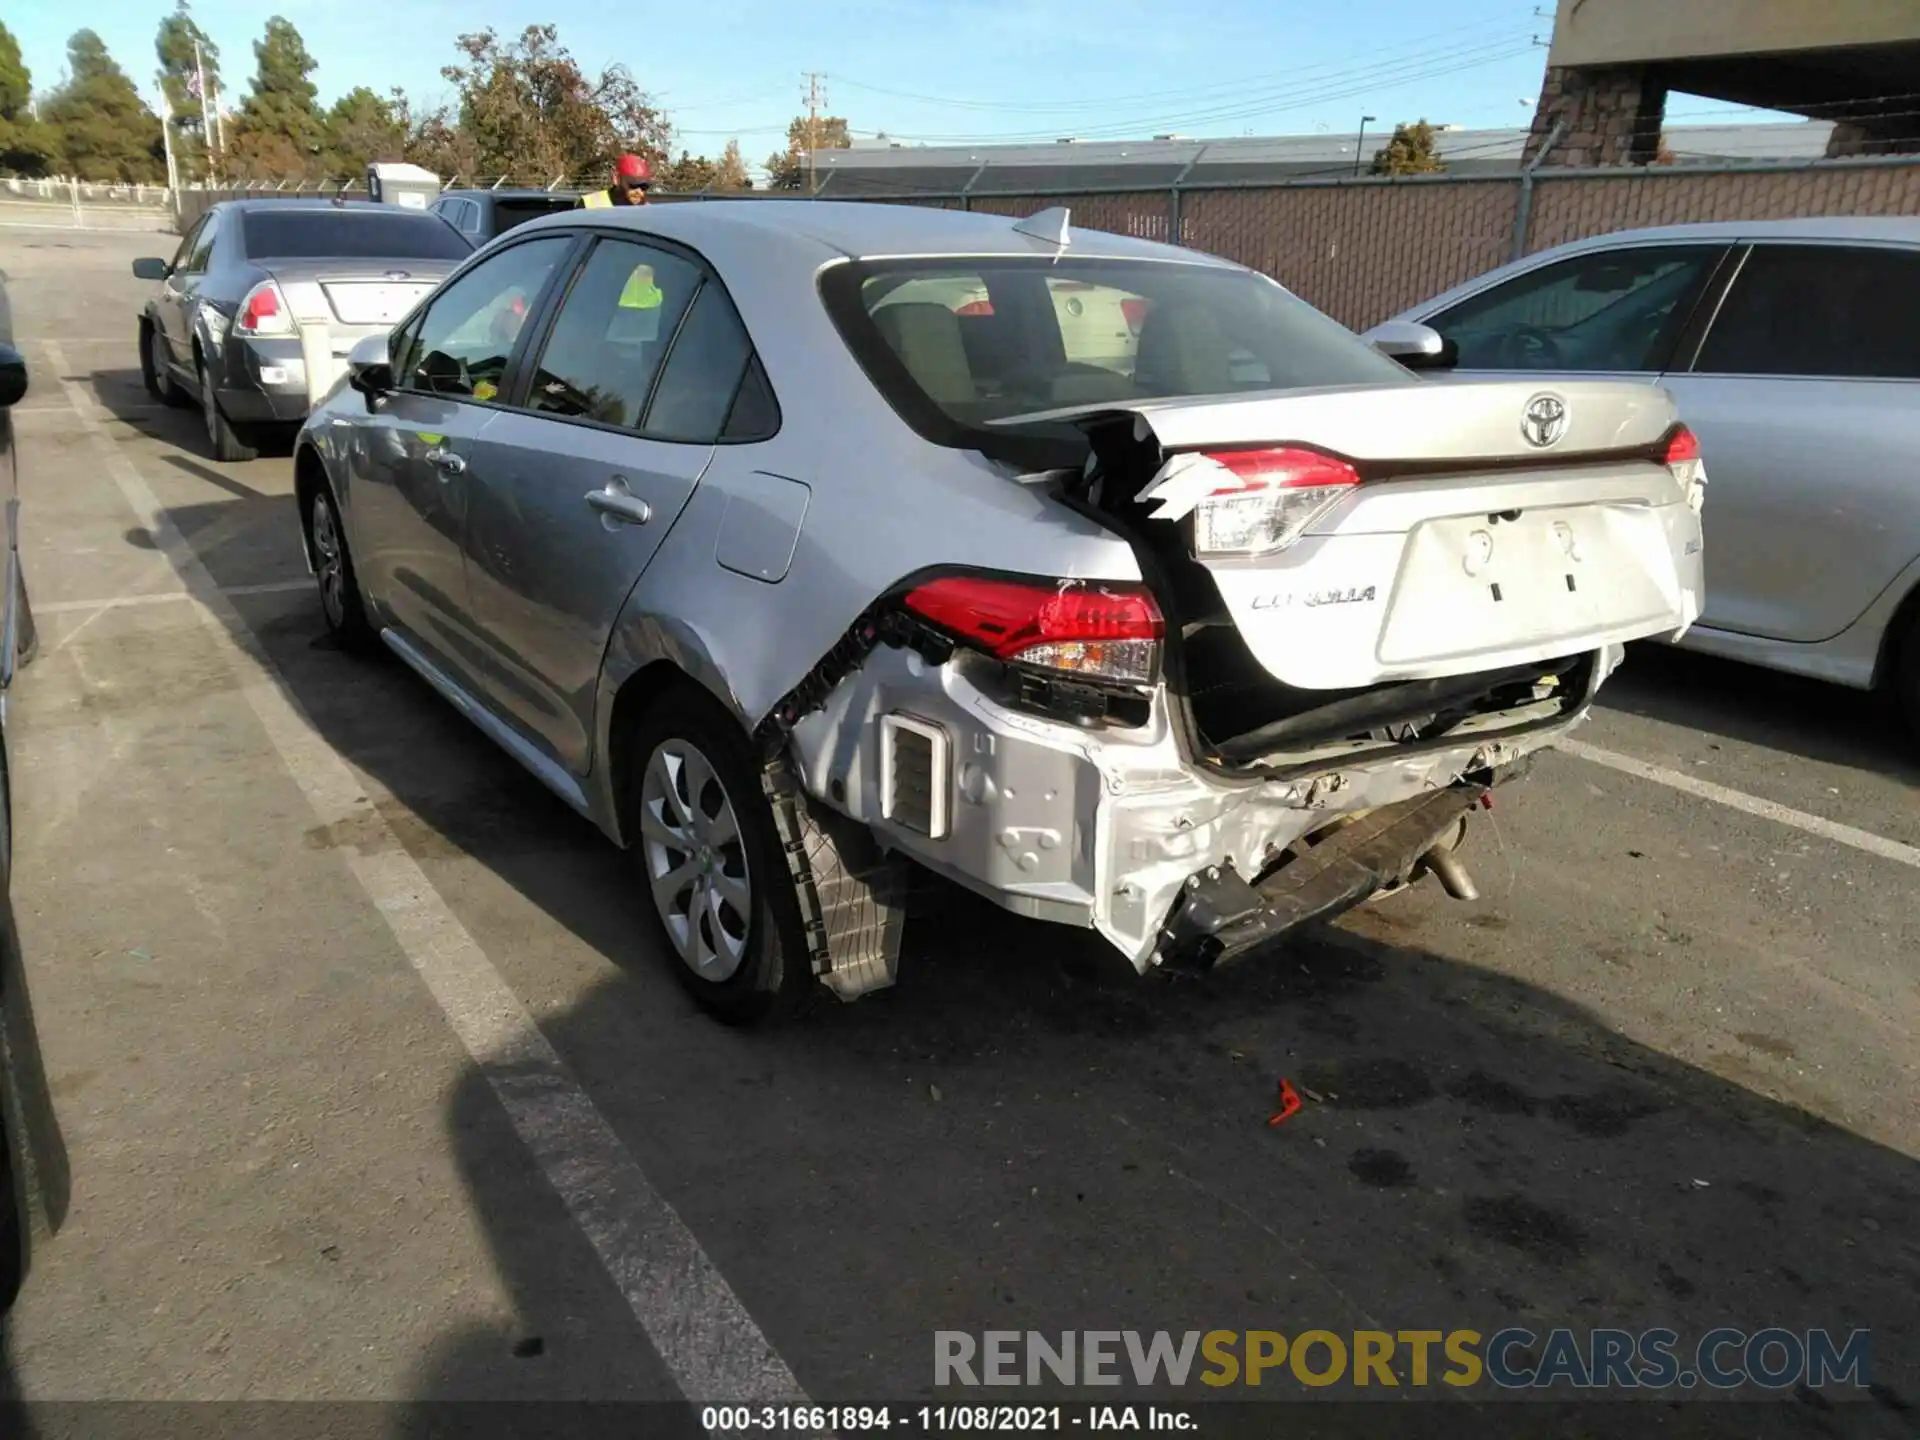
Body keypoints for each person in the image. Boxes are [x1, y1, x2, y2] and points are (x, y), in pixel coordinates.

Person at [579, 154, 653, 209]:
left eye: (644, 186)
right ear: (616, 179)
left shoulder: (649, 212)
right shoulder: (589, 205)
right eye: (633, 185)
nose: (639, 192)